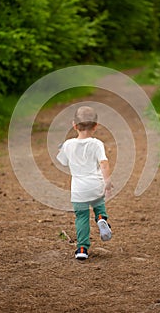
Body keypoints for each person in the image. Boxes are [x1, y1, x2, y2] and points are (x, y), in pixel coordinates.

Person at [57, 106, 113, 260]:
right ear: (95, 126)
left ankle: (82, 248)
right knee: (98, 204)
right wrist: (107, 181)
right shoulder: (96, 144)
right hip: (95, 184)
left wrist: (62, 149)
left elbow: (62, 161)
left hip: (78, 188)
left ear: (74, 125)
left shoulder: (68, 144)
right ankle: (101, 218)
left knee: (81, 217)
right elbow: (103, 163)